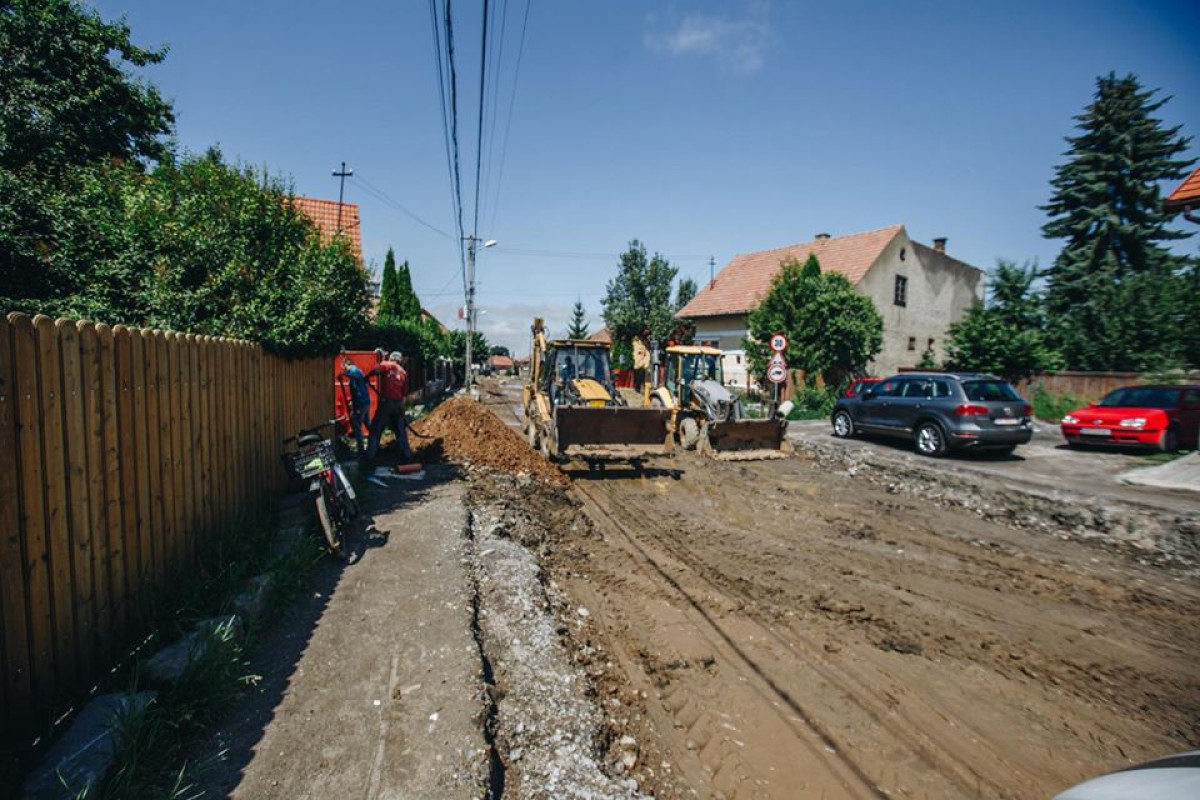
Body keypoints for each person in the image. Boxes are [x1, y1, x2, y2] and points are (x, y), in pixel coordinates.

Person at [364, 350, 413, 481]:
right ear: (400, 360)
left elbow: (376, 370)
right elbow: (404, 394)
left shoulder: (386, 364)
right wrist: (402, 409)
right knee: (400, 431)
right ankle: (407, 457)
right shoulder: (403, 372)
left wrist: (367, 377)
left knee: (375, 430)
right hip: (398, 404)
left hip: (386, 403)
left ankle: (369, 458)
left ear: (391, 358)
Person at [338, 356, 371, 454]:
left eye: (343, 367)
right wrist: (353, 401)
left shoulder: (354, 370)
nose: (343, 369)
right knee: (367, 423)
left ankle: (361, 450)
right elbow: (357, 388)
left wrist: (343, 374)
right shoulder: (356, 372)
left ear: (346, 364)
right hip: (363, 402)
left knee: (356, 425)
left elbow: (354, 374)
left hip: (361, 403)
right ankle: (374, 443)